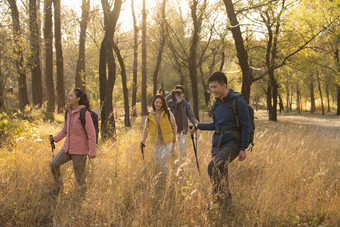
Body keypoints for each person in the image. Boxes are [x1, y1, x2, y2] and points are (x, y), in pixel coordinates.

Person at [188, 71, 250, 206]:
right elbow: (216, 125)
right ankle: (226, 205)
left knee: (213, 166)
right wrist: (197, 126)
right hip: (217, 143)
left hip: (233, 142)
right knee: (221, 173)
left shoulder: (238, 101)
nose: (213, 91)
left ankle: (218, 200)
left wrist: (243, 147)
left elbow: (246, 125)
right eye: (211, 88)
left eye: (215, 87)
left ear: (224, 86)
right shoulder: (216, 103)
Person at [49, 88, 96, 195]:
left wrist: (92, 151)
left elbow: (91, 133)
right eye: (68, 95)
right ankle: (59, 188)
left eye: (71, 96)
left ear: (78, 99)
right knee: (53, 164)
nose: (68, 98)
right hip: (67, 148)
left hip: (79, 150)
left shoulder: (85, 113)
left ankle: (82, 197)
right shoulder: (68, 111)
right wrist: (55, 139)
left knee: (79, 177)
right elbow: (65, 130)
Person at [140, 94, 177, 174]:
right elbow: (146, 129)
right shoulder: (150, 114)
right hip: (156, 142)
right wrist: (142, 141)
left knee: (164, 160)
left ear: (163, 103)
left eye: (160, 103)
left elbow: (174, 126)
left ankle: (165, 177)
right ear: (153, 103)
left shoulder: (167, 113)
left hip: (167, 141)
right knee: (158, 162)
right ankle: (159, 178)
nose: (158, 104)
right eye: (156, 102)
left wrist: (174, 138)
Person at [166, 85, 198, 159]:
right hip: (172, 133)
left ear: (183, 94)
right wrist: (171, 95)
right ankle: (175, 168)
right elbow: (163, 102)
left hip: (183, 132)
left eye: (179, 92)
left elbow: (191, 116)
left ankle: (183, 169)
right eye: (176, 92)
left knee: (183, 153)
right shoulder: (170, 104)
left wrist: (195, 122)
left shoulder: (186, 104)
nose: (178, 94)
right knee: (173, 153)